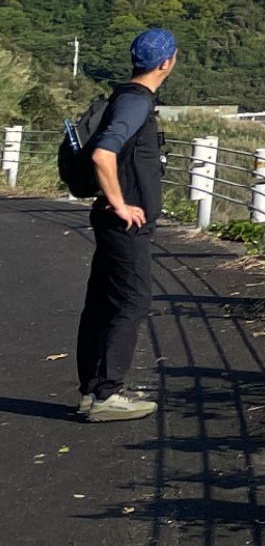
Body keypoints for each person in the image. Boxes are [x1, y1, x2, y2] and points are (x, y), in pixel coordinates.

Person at [75, 27, 178, 422]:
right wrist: (120, 204)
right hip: (124, 225)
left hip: (112, 221)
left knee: (102, 304)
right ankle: (107, 394)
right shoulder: (136, 104)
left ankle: (92, 391)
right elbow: (104, 154)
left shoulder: (124, 97)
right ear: (166, 63)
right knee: (132, 301)